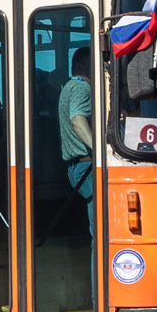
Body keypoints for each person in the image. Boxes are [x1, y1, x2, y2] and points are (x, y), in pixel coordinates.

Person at [58, 47, 95, 234]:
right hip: (87, 167)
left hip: (77, 168)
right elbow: (77, 120)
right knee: (104, 232)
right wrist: (99, 149)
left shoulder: (69, 87)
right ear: (81, 66)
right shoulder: (82, 87)